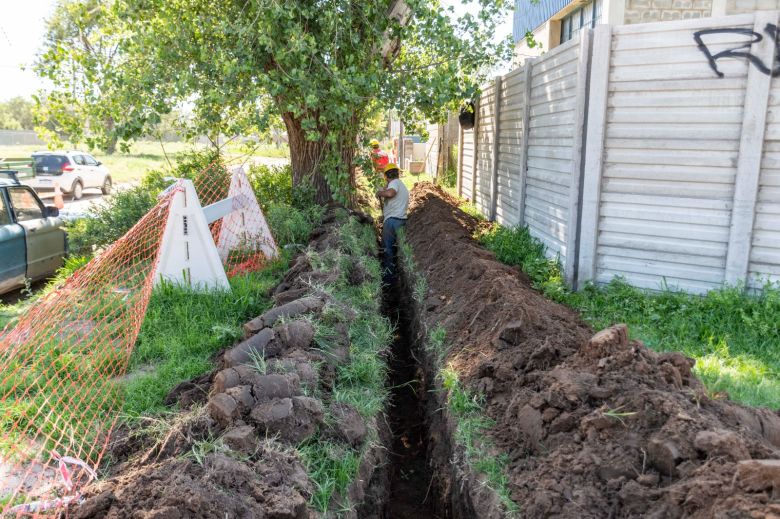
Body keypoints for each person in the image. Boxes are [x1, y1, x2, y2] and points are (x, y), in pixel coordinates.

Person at [376, 163, 409, 285]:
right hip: (400, 220)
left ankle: (388, 279)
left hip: (392, 221)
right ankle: (395, 277)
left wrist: (380, 193)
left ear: (386, 176)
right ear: (397, 173)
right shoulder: (400, 184)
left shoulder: (394, 183)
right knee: (394, 249)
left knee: (387, 249)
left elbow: (390, 193)